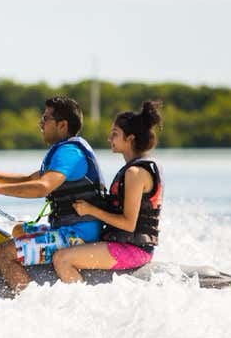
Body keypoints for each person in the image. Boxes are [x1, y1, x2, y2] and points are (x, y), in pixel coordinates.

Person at [0, 97, 106, 292]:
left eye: (46, 118)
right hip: (72, 230)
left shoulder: (69, 153)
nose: (41, 123)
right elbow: (28, 179)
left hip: (78, 236)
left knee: (3, 254)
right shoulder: (63, 151)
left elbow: (42, 187)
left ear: (62, 125)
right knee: (19, 231)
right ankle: (36, 279)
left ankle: (29, 300)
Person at [53, 101, 164, 283]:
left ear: (130, 138)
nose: (109, 138)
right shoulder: (135, 168)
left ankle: (80, 305)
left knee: (62, 258)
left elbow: (128, 224)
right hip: (125, 244)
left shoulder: (135, 173)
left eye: (115, 134)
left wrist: (91, 210)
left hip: (134, 250)